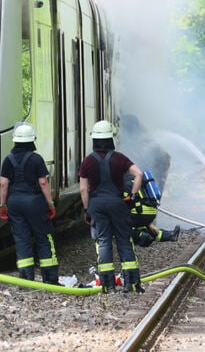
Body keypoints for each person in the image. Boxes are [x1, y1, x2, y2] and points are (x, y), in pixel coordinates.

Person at [79, 119, 144, 293]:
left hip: (97, 205)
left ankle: (108, 284)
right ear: (111, 138)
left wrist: (87, 209)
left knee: (104, 241)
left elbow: (83, 188)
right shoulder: (120, 158)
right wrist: (132, 195)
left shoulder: (87, 161)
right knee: (124, 240)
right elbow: (139, 174)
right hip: (118, 204)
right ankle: (131, 282)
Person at [0, 122, 59, 285]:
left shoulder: (8, 160)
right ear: (32, 140)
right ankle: (50, 279)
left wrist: (3, 205)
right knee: (44, 237)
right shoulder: (36, 159)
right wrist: (50, 203)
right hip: (34, 202)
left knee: (22, 239)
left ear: (15, 140)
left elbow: (4, 184)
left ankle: (26, 280)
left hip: (15, 203)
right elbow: (43, 183)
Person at [123, 173, 180, 247]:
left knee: (121, 226)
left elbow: (125, 201)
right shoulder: (138, 181)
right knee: (146, 226)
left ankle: (142, 237)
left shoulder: (127, 184)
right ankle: (170, 235)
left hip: (140, 213)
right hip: (151, 212)